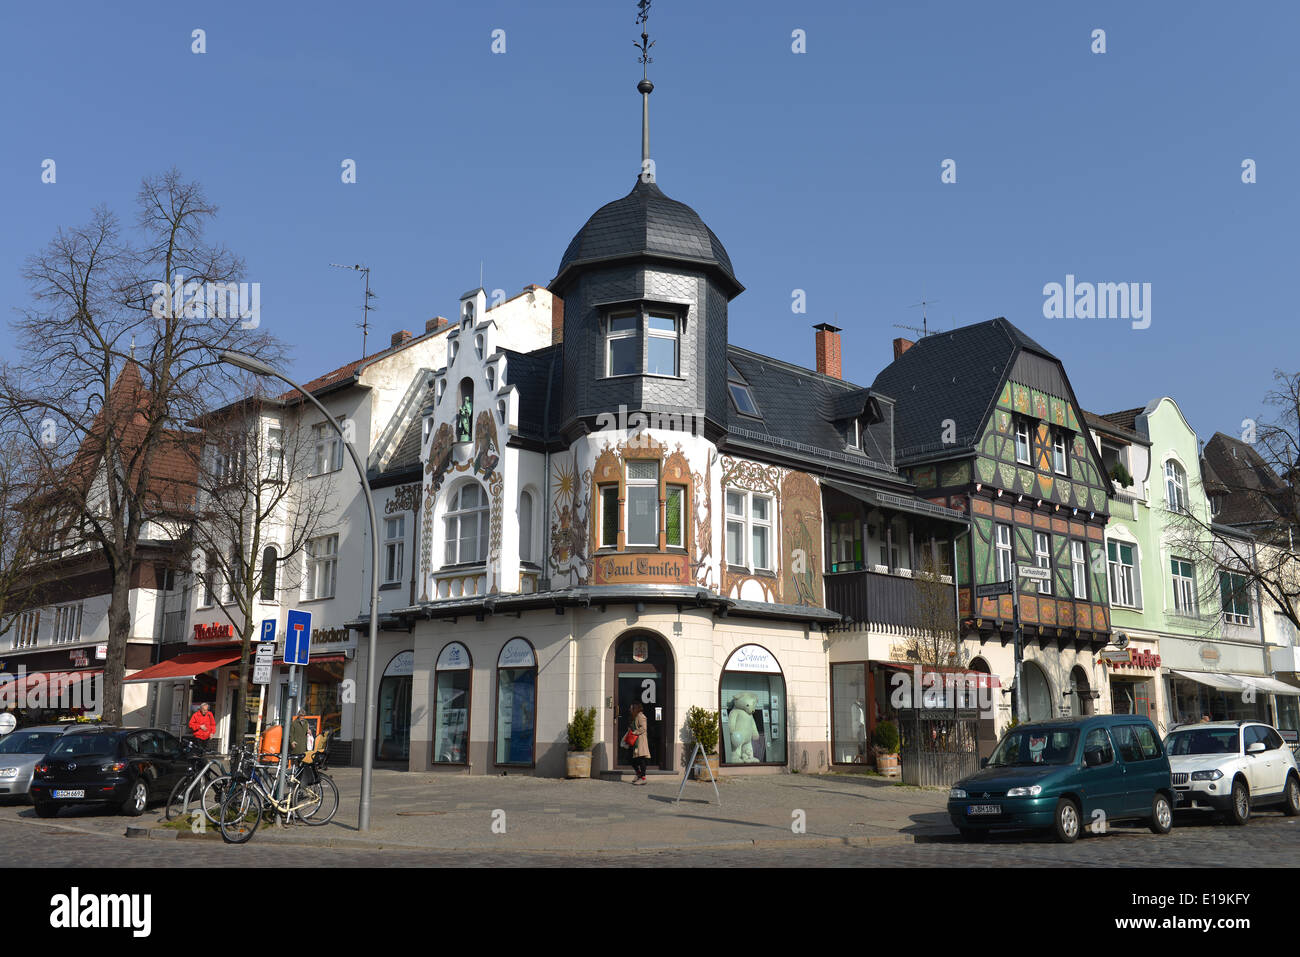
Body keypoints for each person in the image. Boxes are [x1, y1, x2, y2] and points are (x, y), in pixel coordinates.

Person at [629, 703, 650, 785]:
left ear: (635, 708)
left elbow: (643, 728)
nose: (630, 710)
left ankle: (643, 777)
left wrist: (634, 732)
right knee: (633, 759)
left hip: (640, 741)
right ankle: (639, 774)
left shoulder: (641, 716)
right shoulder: (635, 717)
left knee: (641, 759)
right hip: (635, 741)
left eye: (631, 708)